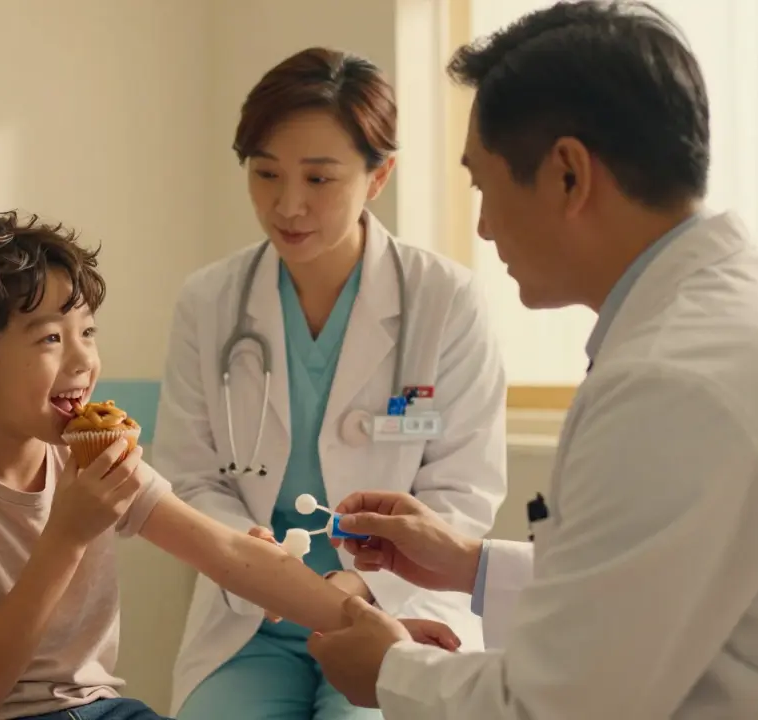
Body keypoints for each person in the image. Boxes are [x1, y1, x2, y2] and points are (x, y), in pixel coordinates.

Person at [301, 2, 758, 718]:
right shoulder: (744, 311)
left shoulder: (672, 384)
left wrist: (391, 671)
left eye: (484, 186)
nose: (483, 226)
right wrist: (473, 566)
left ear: (568, 175)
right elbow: (647, 585)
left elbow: (558, 705)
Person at [0, 210, 458, 720]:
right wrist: (68, 535)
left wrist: (379, 632)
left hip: (93, 706)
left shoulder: (94, 457)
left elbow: (229, 554)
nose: (83, 359)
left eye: (87, 331)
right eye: (49, 339)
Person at [152, 46, 509, 720]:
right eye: (265, 173)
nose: (287, 205)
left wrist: (352, 588)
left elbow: (463, 490)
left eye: (319, 178)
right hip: (251, 616)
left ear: (378, 177)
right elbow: (188, 477)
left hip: (391, 605)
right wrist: (260, 565)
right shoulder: (209, 300)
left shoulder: (446, 299)